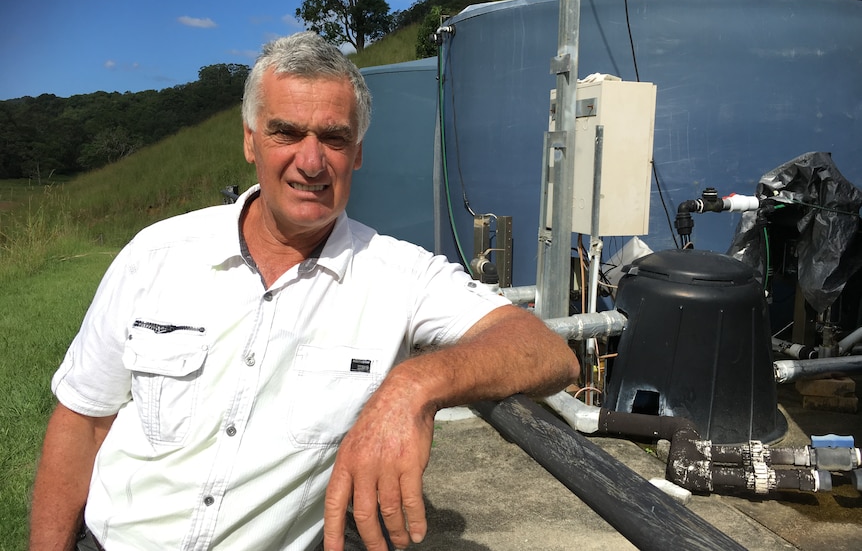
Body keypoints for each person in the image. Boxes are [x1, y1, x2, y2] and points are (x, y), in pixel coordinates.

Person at [29, 31, 579, 551]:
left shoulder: (398, 274)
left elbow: (548, 353)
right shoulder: (156, 255)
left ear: (358, 152)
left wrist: (415, 383)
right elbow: (82, 420)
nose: (311, 161)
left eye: (334, 138)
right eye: (286, 132)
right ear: (251, 141)